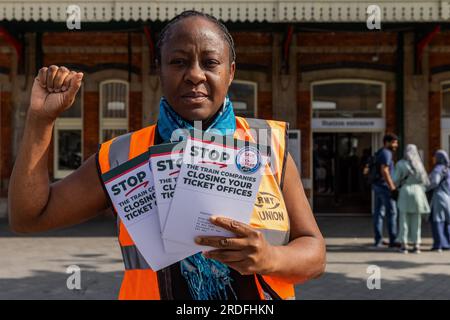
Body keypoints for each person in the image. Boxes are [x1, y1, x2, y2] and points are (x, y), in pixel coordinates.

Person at [8, 10, 326, 300]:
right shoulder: (124, 155)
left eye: (210, 62)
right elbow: (28, 217)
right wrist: (40, 120)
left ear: (230, 73)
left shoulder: (267, 146)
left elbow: (315, 252)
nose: (194, 74)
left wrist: (271, 258)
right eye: (179, 62)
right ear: (159, 70)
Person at [393, 144, 430, 254]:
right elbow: (425, 181)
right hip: (418, 193)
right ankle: (416, 245)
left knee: (403, 220)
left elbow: (395, 180)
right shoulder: (419, 164)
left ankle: (404, 245)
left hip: (405, 192)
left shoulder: (400, 164)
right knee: (416, 220)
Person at [372, 133, 399, 248]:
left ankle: (378, 240)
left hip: (377, 185)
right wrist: (392, 187)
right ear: (387, 142)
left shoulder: (380, 152)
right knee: (392, 213)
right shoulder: (386, 153)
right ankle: (393, 240)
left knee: (378, 213)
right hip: (384, 187)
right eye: (394, 142)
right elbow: (385, 171)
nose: (396, 145)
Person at [427, 150, 450, 252]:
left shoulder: (438, 169)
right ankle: (447, 243)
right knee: (446, 221)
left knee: (437, 221)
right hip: (447, 197)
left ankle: (438, 245)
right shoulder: (447, 169)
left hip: (438, 197)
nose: (433, 158)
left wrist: (425, 188)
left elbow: (435, 182)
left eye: (435, 156)